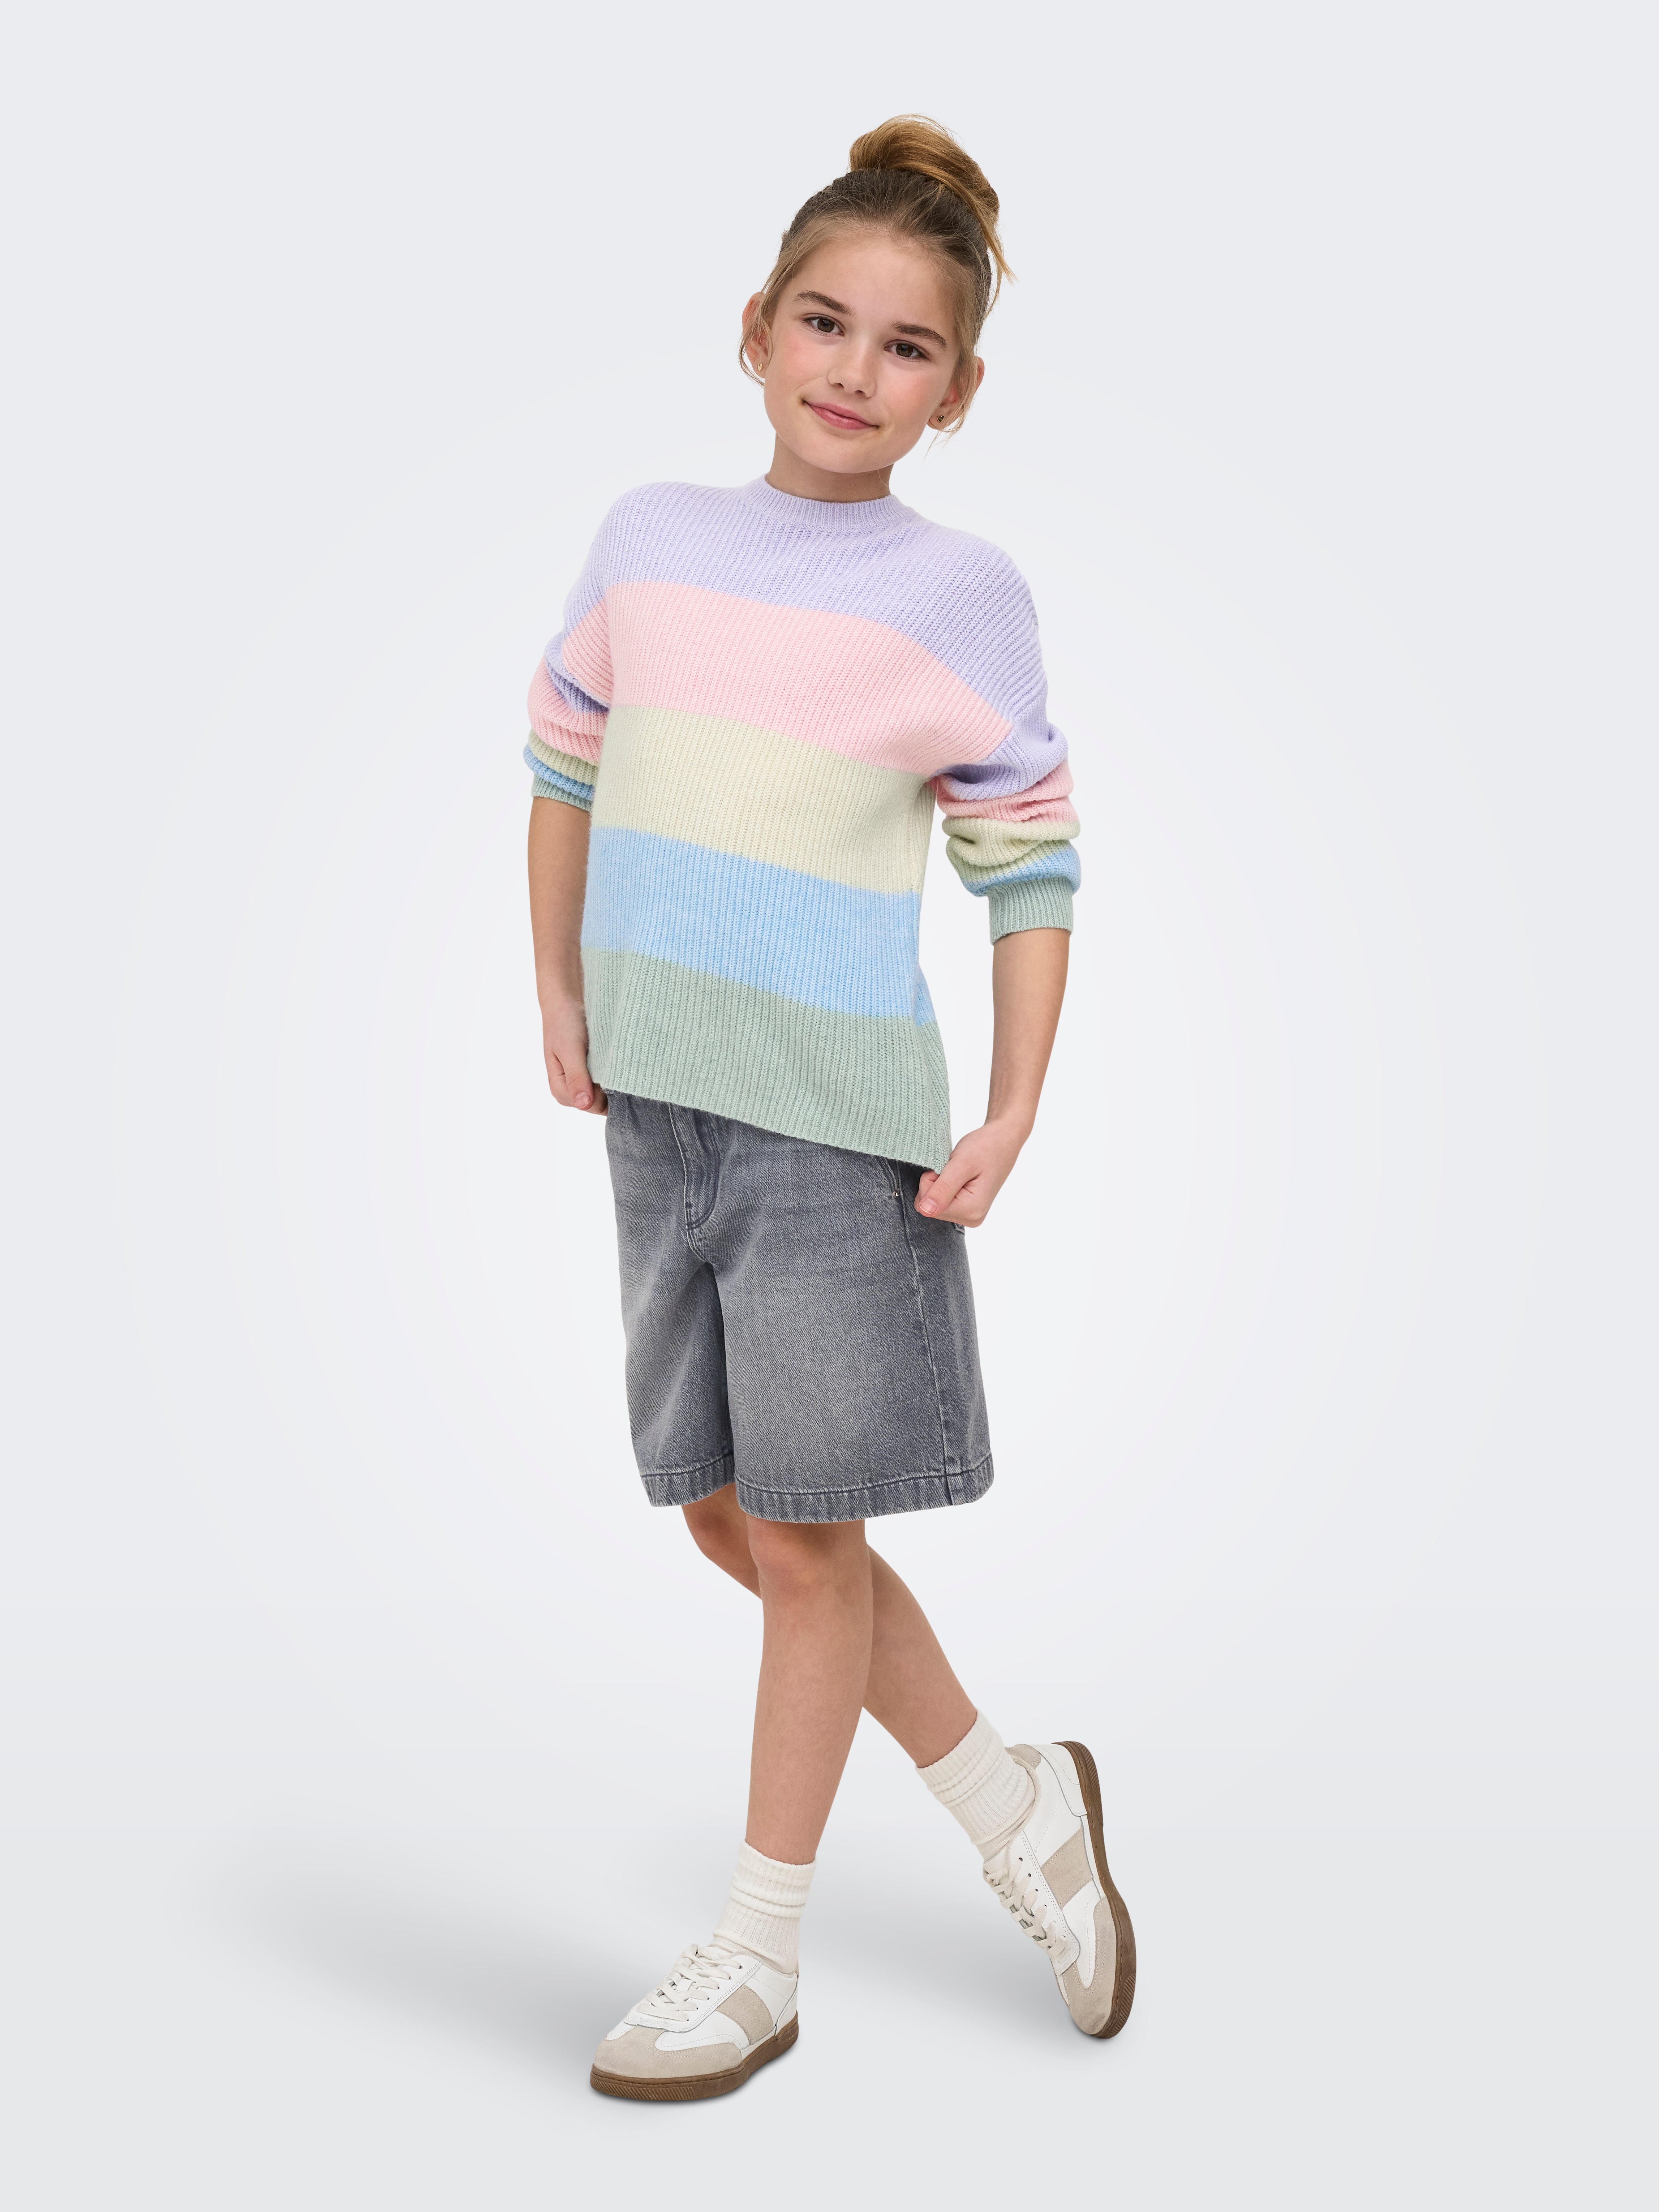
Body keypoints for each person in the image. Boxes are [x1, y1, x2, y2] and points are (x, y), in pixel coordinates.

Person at [524, 116, 1134, 2103]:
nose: (855, 370)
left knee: (803, 1544)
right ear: (755, 326)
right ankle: (1016, 1798)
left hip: (826, 1137)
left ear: (960, 389)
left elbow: (1029, 859)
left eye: (906, 346)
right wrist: (558, 988)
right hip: (656, 1118)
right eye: (824, 322)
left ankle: (758, 1958)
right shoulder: (649, 538)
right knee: (728, 1514)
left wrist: (1017, 1103)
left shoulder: (959, 592)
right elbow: (566, 763)